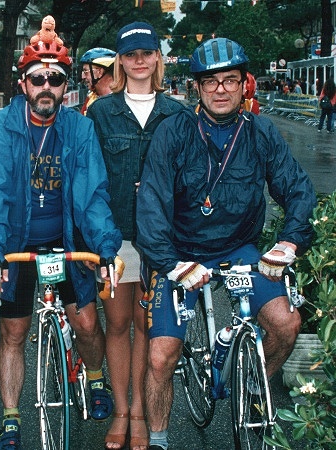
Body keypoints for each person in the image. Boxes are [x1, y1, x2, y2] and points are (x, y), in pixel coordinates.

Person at [136, 37, 316, 450]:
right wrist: (171, 263)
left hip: (238, 249)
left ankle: (255, 389)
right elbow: (151, 207)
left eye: (230, 80)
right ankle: (160, 440)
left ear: (243, 85)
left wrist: (289, 241)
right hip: (180, 252)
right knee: (162, 356)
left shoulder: (260, 132)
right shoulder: (173, 132)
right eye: (211, 81)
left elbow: (298, 189)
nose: (221, 89)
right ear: (196, 87)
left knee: (287, 324)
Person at [0, 19, 124, 450]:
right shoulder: (1, 127)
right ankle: (9, 417)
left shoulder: (79, 128)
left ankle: (95, 378)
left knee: (86, 321)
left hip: (67, 239)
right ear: (23, 83)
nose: (46, 87)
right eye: (37, 78)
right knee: (13, 333)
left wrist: (106, 248)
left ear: (65, 85)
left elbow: (93, 196)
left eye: (55, 79)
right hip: (17, 241)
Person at [86, 21, 184, 450]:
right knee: (118, 322)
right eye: (130, 54)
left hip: (162, 238)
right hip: (117, 237)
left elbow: (189, 177)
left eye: (147, 52)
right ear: (120, 62)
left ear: (158, 59)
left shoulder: (178, 113)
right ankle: (122, 411)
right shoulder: (102, 112)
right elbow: (90, 177)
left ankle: (142, 412)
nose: (139, 60)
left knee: (149, 326)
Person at [79, 47, 116, 114]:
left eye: (85, 71)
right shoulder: (91, 98)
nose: (83, 77)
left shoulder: (120, 101)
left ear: (99, 72)